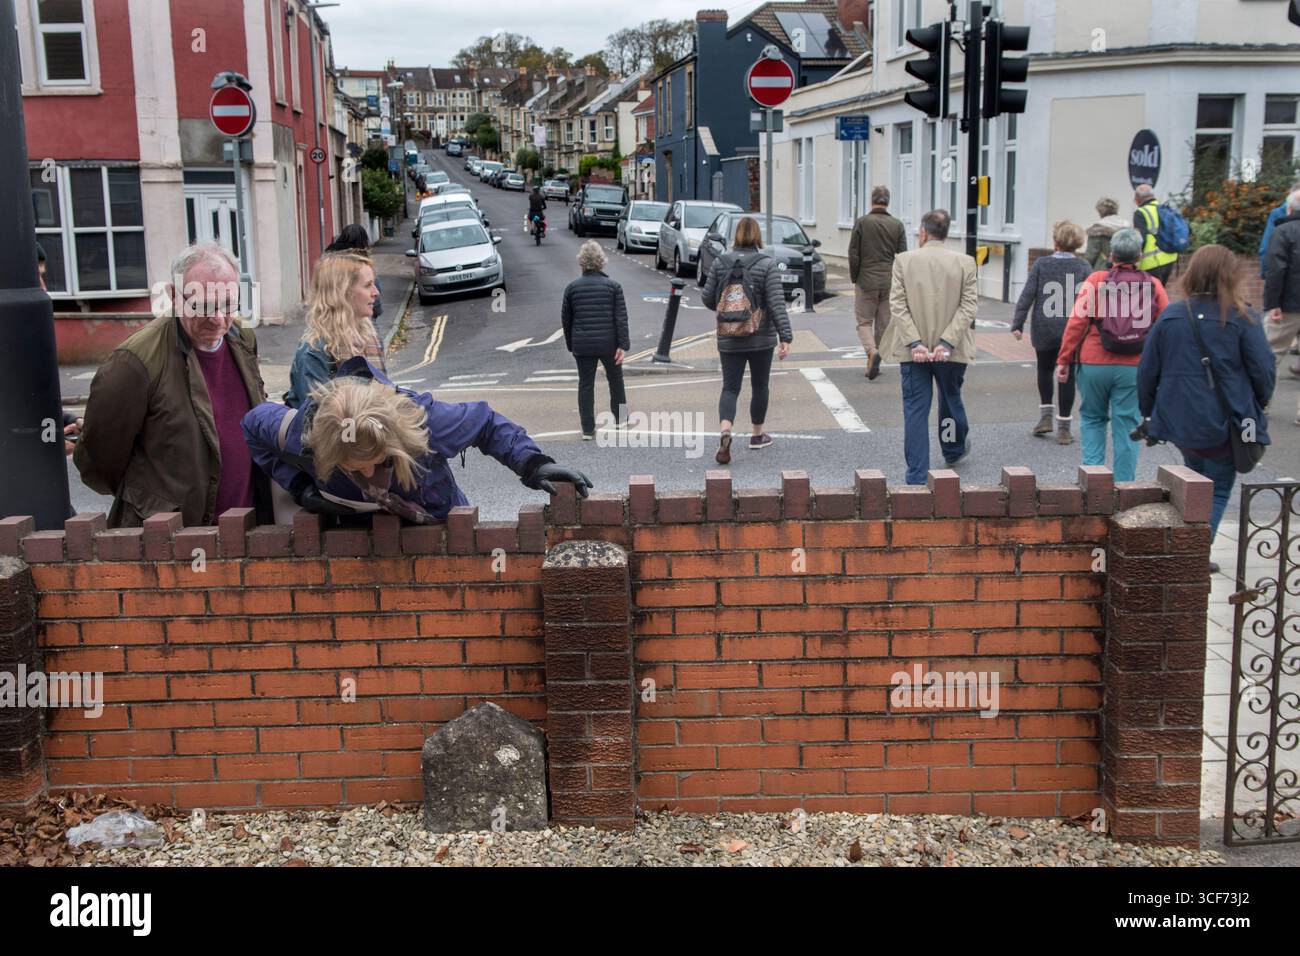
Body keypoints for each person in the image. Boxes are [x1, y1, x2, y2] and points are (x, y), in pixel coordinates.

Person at [242, 357, 591, 522]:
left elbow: (485, 423)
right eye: (353, 469)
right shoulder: (301, 437)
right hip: (365, 539)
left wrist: (533, 464)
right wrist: (302, 488)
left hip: (440, 523)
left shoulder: (425, 423)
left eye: (376, 463)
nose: (368, 477)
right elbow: (252, 426)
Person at [73, 243, 271, 527]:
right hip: (170, 538)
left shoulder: (242, 337)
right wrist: (152, 504)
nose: (218, 319)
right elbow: (99, 461)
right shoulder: (134, 362)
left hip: (243, 530)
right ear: (174, 295)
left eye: (228, 303)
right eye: (203, 305)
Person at [1138, 244, 1274, 570]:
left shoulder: (1171, 315)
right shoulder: (1242, 316)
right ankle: (1193, 556)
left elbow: (1147, 371)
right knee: (1217, 488)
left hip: (1180, 422)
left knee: (1194, 482)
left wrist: (1149, 411)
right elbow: (1264, 371)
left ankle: (1186, 547)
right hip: (1225, 422)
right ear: (1230, 275)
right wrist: (1257, 404)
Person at [1055, 228, 1169, 482]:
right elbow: (1165, 327)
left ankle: (1092, 485)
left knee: (1093, 418)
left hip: (1094, 361)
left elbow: (1077, 322)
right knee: (1128, 424)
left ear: (1112, 254)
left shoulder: (1096, 280)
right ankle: (1124, 487)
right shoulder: (1153, 284)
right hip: (1134, 366)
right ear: (1139, 255)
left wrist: (1064, 359)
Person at [880, 210, 978, 485]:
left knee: (915, 410)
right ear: (946, 233)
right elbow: (968, 306)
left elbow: (898, 305)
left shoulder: (904, 261)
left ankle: (916, 475)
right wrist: (947, 342)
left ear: (923, 232)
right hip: (952, 350)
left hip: (914, 352)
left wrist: (915, 342)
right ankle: (952, 448)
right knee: (950, 399)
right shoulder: (965, 263)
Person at [700, 215, 793, 463]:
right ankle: (757, 435)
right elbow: (775, 303)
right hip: (761, 338)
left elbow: (708, 298)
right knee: (760, 386)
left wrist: (729, 306)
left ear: (737, 235)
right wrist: (786, 336)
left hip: (729, 336)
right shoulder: (767, 264)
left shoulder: (721, 263)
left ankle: (725, 429)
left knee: (730, 387)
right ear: (757, 236)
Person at [1013, 221, 1093, 444]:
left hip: (1044, 328)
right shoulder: (1084, 267)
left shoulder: (1041, 264)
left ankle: (1045, 418)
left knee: (1045, 369)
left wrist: (1018, 323)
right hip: (1073, 330)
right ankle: (1065, 428)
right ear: (1077, 243)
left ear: (1055, 241)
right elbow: (1091, 300)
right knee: (1067, 374)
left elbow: (1027, 295)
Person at [285, 252, 383, 409]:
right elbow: (317, 421)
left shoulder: (369, 336)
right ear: (343, 293)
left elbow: (386, 396)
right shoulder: (315, 350)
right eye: (367, 285)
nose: (376, 292)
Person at [561, 241, 629, 440]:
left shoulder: (571, 288)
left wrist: (571, 345)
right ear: (601, 261)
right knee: (616, 381)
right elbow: (621, 318)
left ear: (582, 262)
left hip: (583, 345)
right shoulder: (614, 287)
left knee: (586, 385)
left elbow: (566, 320)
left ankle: (588, 429)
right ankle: (621, 419)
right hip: (609, 344)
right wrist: (622, 345)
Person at [847, 186, 908, 380]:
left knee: (864, 321)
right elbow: (903, 256)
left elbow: (853, 254)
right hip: (889, 280)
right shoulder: (897, 225)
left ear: (871, 200)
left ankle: (871, 351)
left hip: (866, 279)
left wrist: (855, 277)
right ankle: (877, 358)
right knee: (883, 323)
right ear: (888, 201)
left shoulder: (862, 223)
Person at [1263, 188, 1300, 422]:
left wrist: (1273, 303)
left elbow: (1276, 269)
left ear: (1289, 208)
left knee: (1269, 355)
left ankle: (1263, 402)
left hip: (1288, 305)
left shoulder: (1283, 231)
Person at [325, 224, 382, 321]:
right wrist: (377, 311)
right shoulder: (361, 262)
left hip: (333, 314)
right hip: (359, 316)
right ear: (364, 241)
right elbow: (373, 291)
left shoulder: (329, 259)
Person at [1133, 184, 1178, 286]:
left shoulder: (1140, 212)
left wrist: (1134, 261)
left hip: (1151, 262)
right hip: (1169, 259)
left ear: (1138, 199)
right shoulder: (1165, 209)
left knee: (1148, 299)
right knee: (1160, 294)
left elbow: (1141, 239)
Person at [1083, 197, 1128, 271]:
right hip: (1125, 268)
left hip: (1103, 269)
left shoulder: (1097, 228)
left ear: (1100, 211)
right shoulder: (1127, 225)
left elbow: (1091, 255)